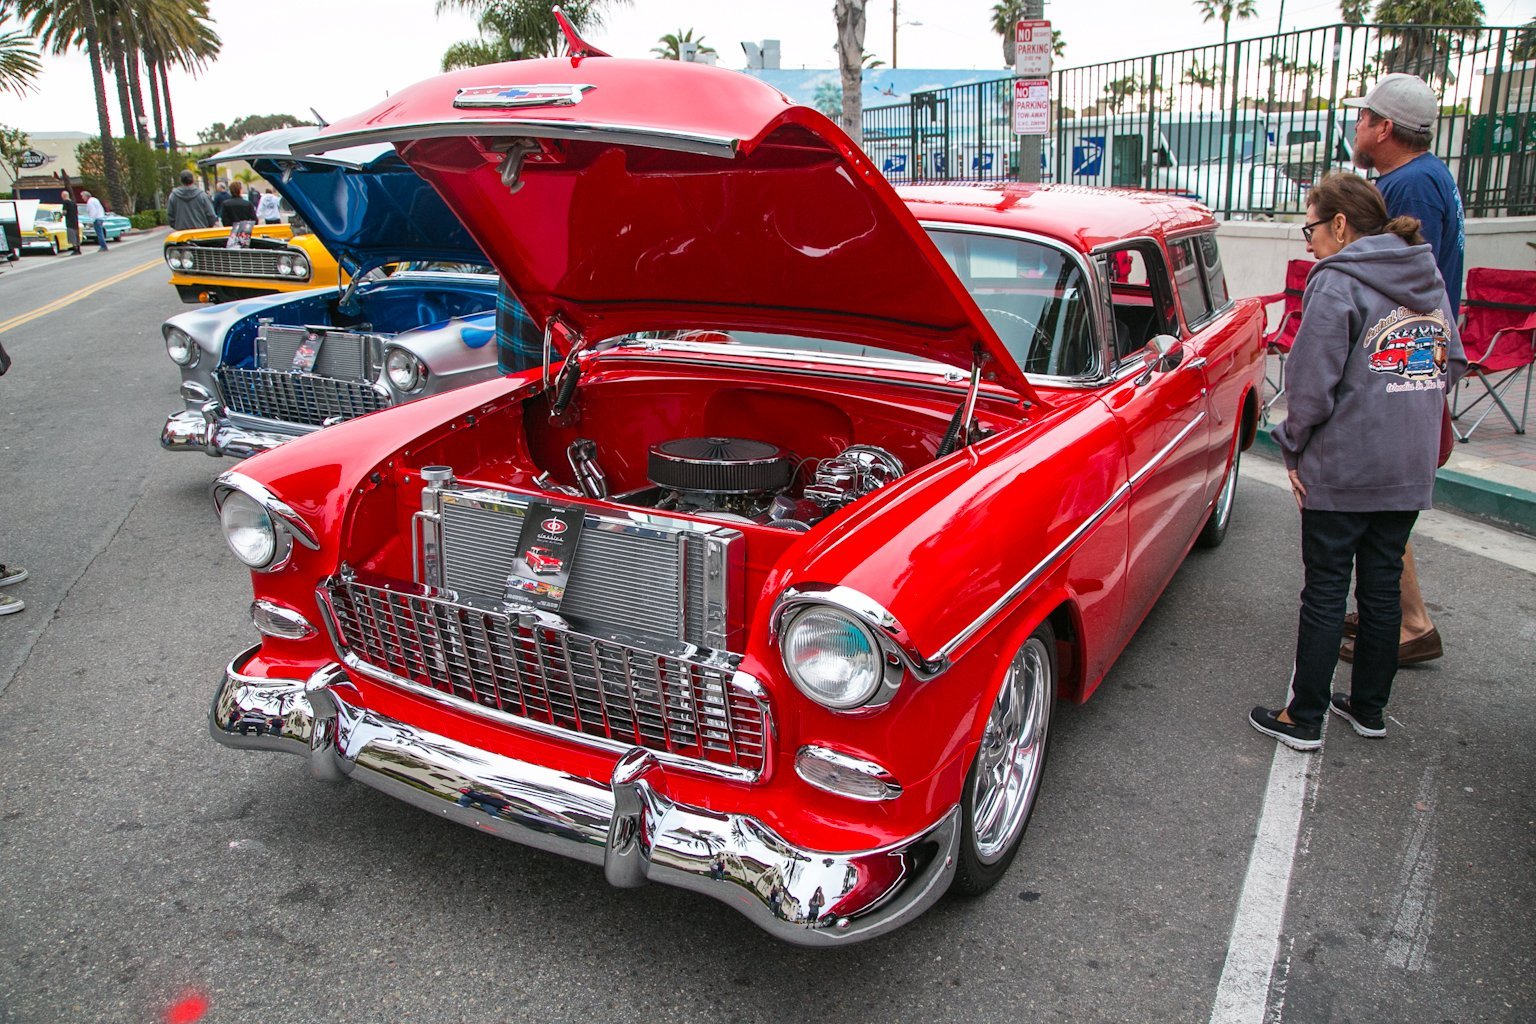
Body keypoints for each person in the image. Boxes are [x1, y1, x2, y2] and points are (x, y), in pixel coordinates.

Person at [1250, 173, 1466, 751]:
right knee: (1380, 585)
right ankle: (1369, 708)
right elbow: (1452, 361)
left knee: (1324, 589)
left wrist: (1292, 442)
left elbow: (1311, 384)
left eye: (1311, 226)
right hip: (1408, 465)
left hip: (1345, 463)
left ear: (1340, 225)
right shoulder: (1428, 275)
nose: (1308, 240)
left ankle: (1306, 717)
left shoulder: (1338, 280)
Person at [1341, 71, 1468, 667]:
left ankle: (1410, 623)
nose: (1358, 126)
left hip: (1403, 360)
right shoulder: (1427, 174)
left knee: (1383, 494)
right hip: (1412, 358)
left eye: (1365, 118)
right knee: (1385, 496)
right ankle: (1385, 609)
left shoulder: (1410, 186)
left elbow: (1411, 280)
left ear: (1385, 128)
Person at [59, 189, 81, 255]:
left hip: (69, 221)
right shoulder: (73, 202)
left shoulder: (65, 202)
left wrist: (60, 216)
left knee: (72, 236)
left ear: (63, 196)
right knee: (76, 235)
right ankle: (79, 249)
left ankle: (75, 249)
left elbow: (64, 212)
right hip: (75, 221)